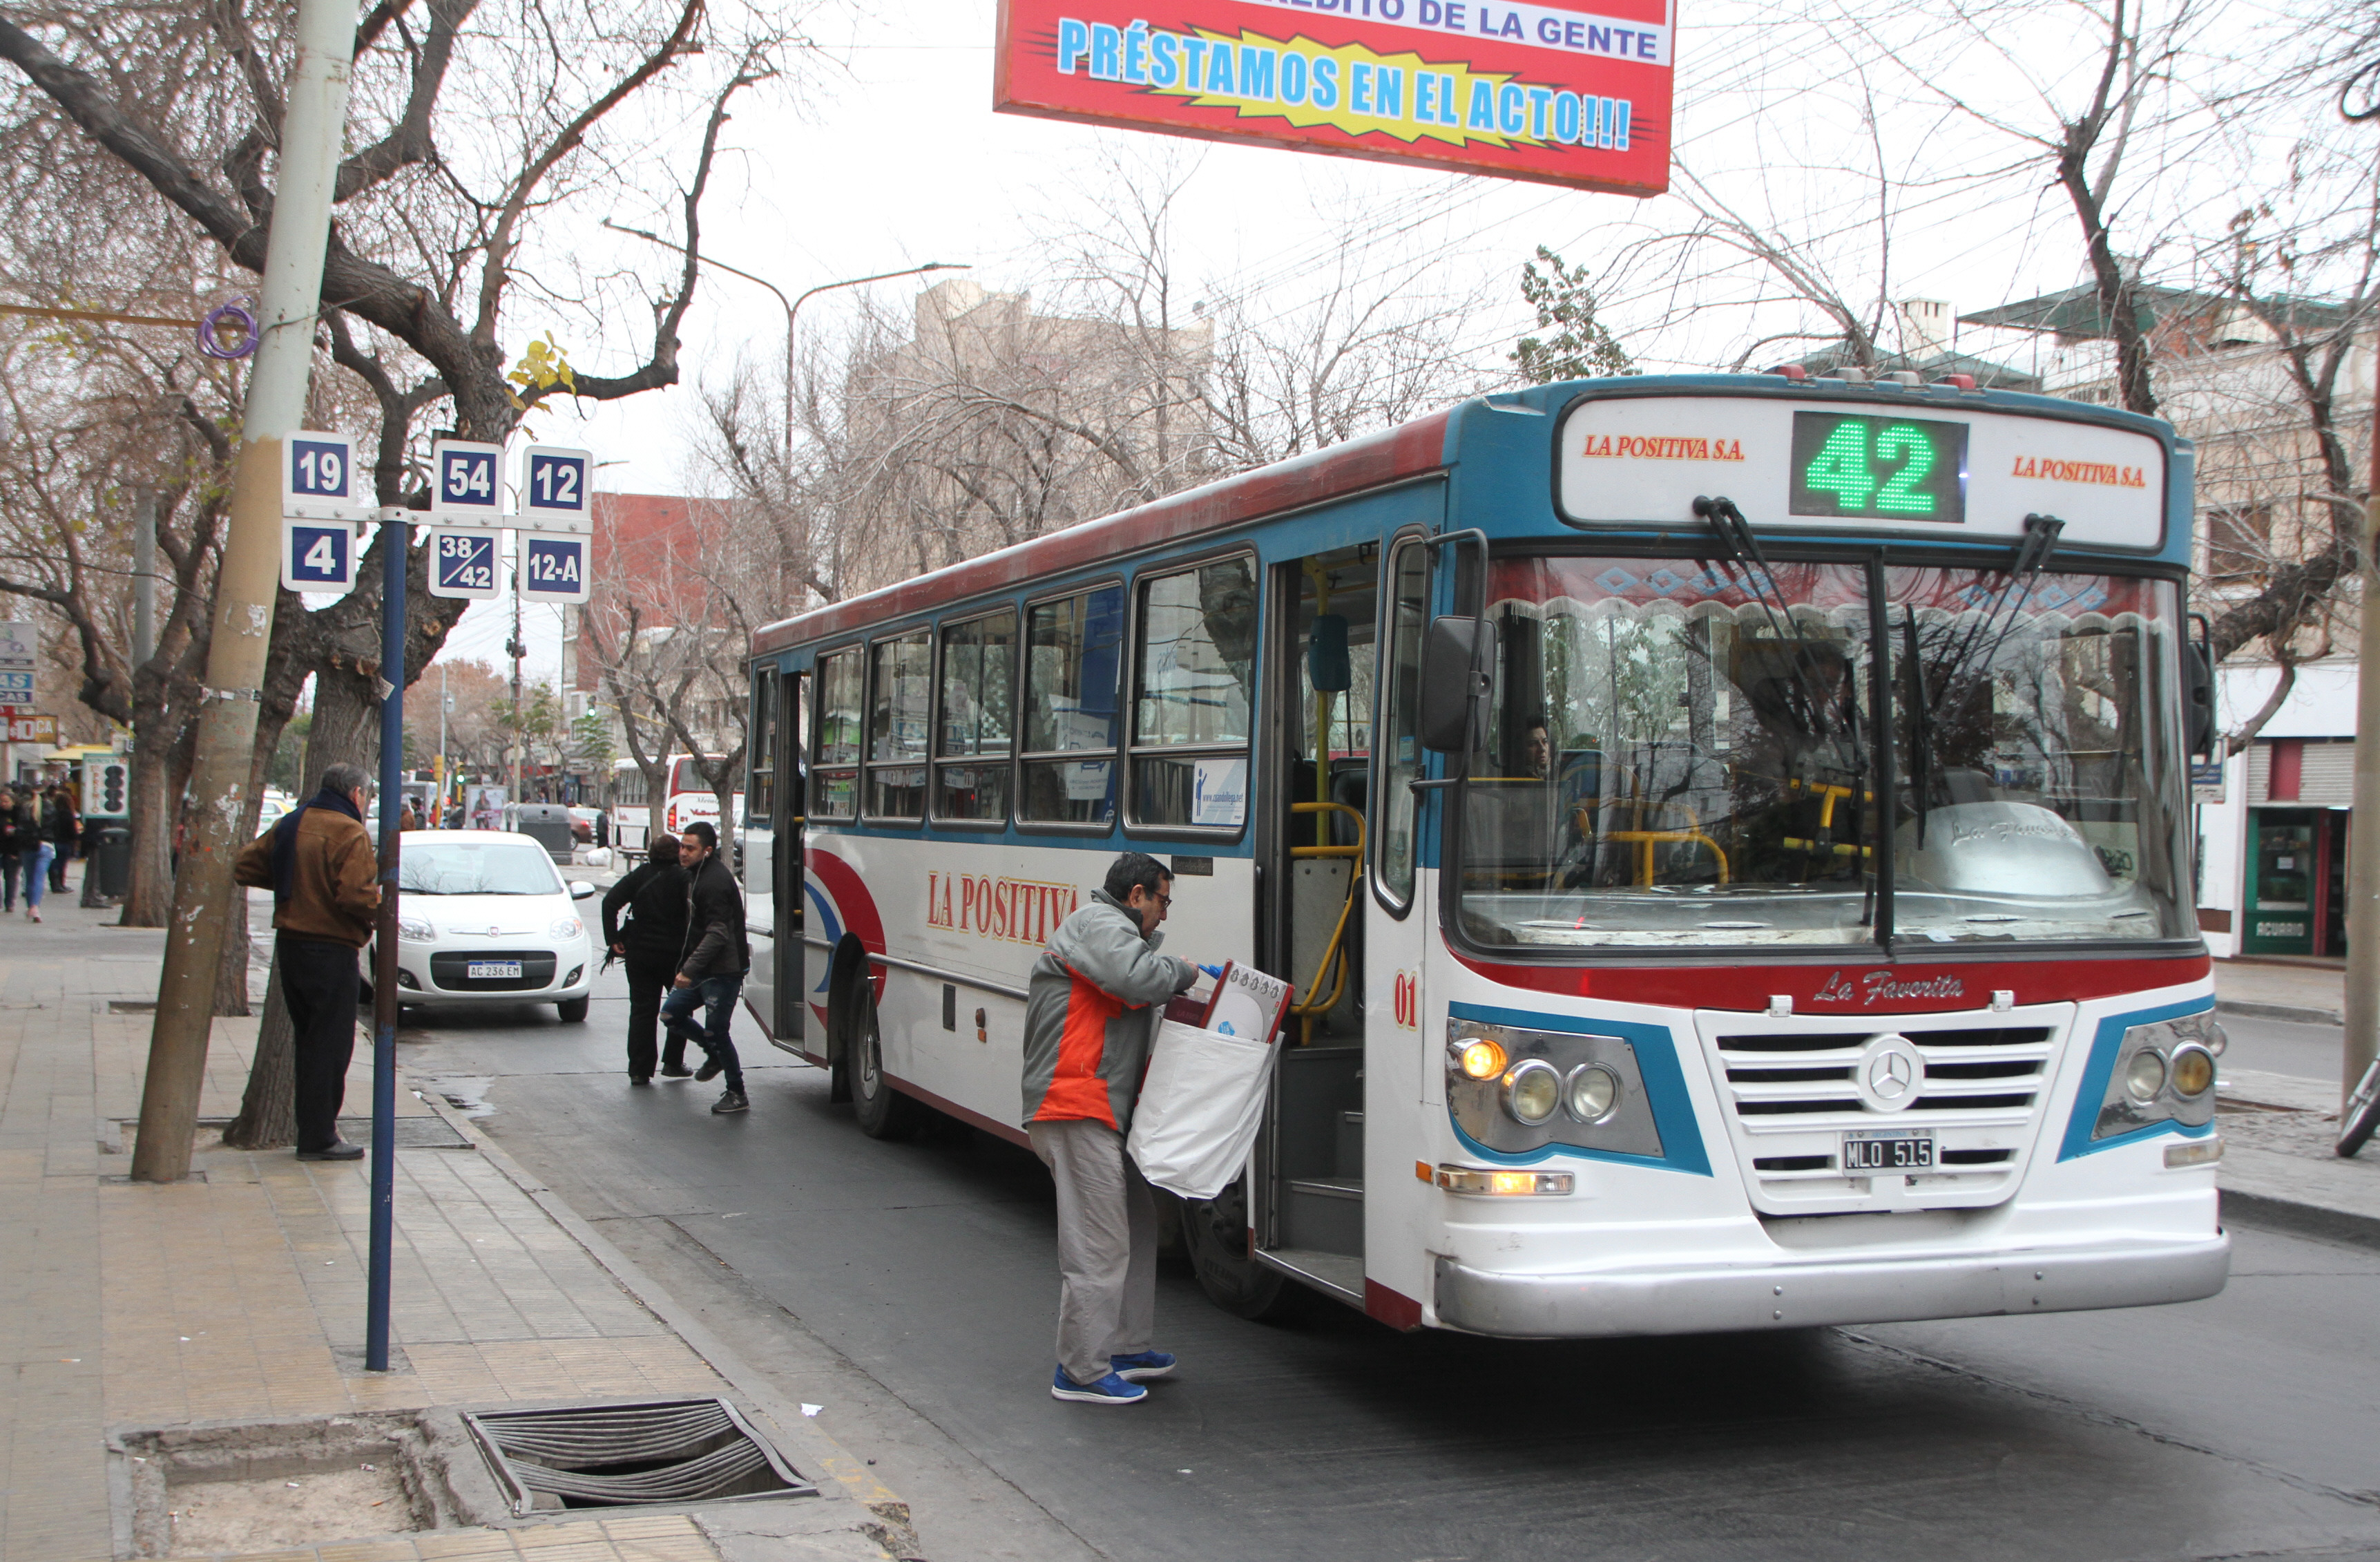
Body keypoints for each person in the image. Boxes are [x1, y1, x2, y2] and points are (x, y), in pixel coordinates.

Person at [1021, 851, 1200, 1407]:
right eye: (1163, 900)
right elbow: (1136, 979)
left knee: (1135, 1223)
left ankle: (1123, 1345)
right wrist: (1186, 971)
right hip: (1073, 1104)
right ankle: (1080, 1368)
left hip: (1097, 1109)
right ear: (1136, 894)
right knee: (1098, 1242)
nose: (1165, 913)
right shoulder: (1099, 923)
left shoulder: (1113, 933)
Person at [232, 763, 381, 1161]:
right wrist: (383, 910)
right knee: (330, 1047)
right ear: (356, 794)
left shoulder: (292, 823)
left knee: (310, 1041)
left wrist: (293, 882)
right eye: (366, 795)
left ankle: (314, 1132)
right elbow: (355, 895)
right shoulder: (349, 831)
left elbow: (245, 865)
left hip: (292, 946)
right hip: (331, 948)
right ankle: (319, 1137)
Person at [659, 821, 749, 1114]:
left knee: (717, 1030)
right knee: (671, 1013)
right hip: (703, 968)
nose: (683, 853)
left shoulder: (714, 882)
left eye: (690, 848)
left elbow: (718, 934)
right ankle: (714, 1055)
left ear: (707, 851)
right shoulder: (695, 874)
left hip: (723, 971)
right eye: (682, 846)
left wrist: (688, 970)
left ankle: (737, 1092)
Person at [602, 832, 690, 1085]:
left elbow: (610, 903)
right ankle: (673, 1062)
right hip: (675, 956)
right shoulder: (684, 878)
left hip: (640, 955)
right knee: (680, 1008)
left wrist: (613, 938)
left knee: (642, 1011)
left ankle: (639, 1071)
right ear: (677, 853)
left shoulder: (640, 875)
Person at [13, 782, 51, 922]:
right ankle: (35, 907)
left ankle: (31, 906)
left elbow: (20, 829)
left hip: (28, 846)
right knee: (39, 878)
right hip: (45, 845)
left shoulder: (24, 809)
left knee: (29, 878)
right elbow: (55, 828)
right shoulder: (50, 809)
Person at [44, 782, 77, 893]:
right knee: (62, 864)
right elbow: (72, 830)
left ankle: (55, 884)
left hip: (54, 841)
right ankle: (60, 884)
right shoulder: (68, 814)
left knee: (54, 863)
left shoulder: (52, 812)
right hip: (65, 842)